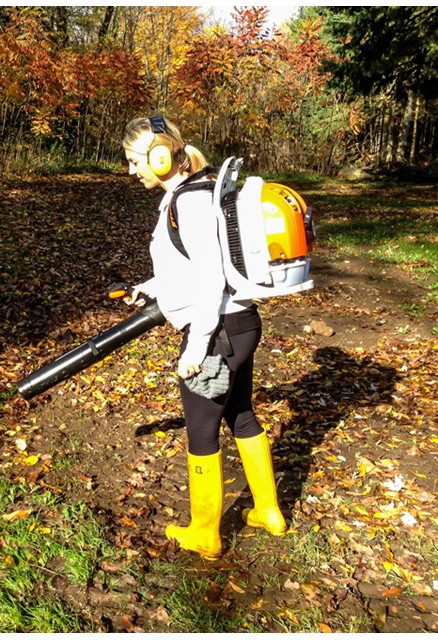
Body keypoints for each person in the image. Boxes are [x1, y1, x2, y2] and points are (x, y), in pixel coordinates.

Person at [122, 115, 287, 561]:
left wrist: (196, 349)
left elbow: (211, 278)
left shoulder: (189, 202)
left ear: (160, 157)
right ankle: (268, 511)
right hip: (240, 325)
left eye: (135, 161)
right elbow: (189, 267)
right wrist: (151, 288)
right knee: (242, 416)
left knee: (201, 431)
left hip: (216, 334)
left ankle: (205, 533)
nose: (132, 170)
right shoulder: (190, 193)